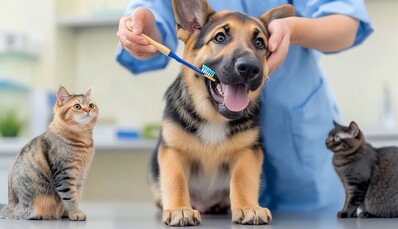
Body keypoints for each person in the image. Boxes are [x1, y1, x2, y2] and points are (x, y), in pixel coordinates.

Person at [116, 0, 373, 212]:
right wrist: (142, 29)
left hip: (303, 161)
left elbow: (346, 21)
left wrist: (291, 29)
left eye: (258, 43)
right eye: (220, 37)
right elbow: (153, 23)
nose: (246, 57)